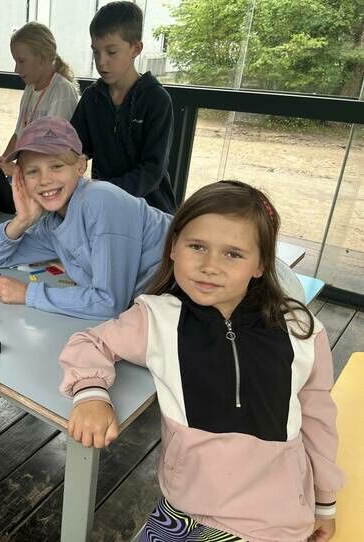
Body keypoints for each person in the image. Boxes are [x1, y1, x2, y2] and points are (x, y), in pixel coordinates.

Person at [58, 181, 344, 541]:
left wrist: (325, 502)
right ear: (173, 247)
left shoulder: (301, 329)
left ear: (260, 264)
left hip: (272, 519)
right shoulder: (157, 318)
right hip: (183, 507)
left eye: (233, 254)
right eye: (197, 246)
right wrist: (90, 394)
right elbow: (90, 342)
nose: (210, 266)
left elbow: (318, 419)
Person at [0, 116, 171, 320]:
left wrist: (28, 293)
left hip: (182, 296)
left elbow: (110, 303)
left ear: (80, 166)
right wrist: (23, 220)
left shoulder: (101, 201)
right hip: (151, 305)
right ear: (21, 179)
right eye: (32, 171)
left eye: (56, 166)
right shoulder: (53, 222)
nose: (45, 180)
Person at [70, 1, 176, 213]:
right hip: (105, 208)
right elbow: (73, 147)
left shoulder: (156, 100)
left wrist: (103, 192)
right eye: (96, 52)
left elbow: (152, 171)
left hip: (150, 210)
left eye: (111, 52)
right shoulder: (92, 98)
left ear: (136, 49)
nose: (101, 62)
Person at [0, 21, 79, 213]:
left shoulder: (62, 91)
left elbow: (52, 151)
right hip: (32, 181)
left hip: (52, 187)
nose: (16, 69)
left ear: (42, 58)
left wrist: (17, 171)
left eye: (21, 61)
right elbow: (18, 135)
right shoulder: (30, 88)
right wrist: (1, 164)